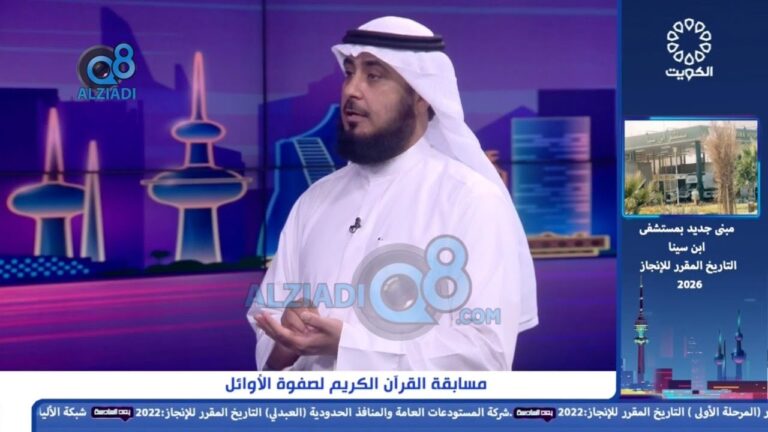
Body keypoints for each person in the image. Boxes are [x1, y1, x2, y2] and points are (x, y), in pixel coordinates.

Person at [248, 16, 537, 371]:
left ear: (421, 94)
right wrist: (285, 343)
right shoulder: (314, 200)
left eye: (373, 76)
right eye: (349, 73)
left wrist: (349, 344)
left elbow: (484, 356)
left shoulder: (471, 200)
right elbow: (268, 323)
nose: (351, 90)